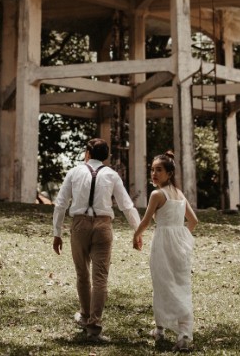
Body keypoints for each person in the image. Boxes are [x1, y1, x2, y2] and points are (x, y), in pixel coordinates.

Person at [52, 138, 142, 343]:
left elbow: (60, 204)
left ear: (87, 153)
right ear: (106, 157)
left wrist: (57, 232)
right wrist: (137, 231)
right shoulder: (112, 175)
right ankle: (94, 326)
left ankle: (84, 315)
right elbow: (126, 205)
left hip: (80, 225)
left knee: (82, 273)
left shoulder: (75, 172)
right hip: (103, 226)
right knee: (100, 277)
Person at [133, 151, 199, 352]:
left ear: (169, 173)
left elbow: (145, 221)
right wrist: (180, 236)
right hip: (179, 244)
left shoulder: (157, 194)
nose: (154, 174)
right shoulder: (179, 194)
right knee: (180, 285)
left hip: (162, 243)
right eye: (152, 170)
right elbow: (194, 221)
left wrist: (136, 236)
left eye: (159, 170)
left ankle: (161, 329)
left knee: (162, 284)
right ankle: (183, 333)